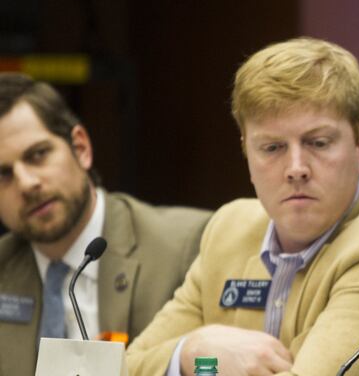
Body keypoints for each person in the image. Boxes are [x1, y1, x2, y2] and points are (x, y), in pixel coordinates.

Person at [125, 37, 359, 376]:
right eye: (272, 147)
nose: (296, 168)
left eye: (318, 143)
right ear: (246, 152)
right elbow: (124, 367)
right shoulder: (228, 229)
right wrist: (192, 351)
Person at [0, 74, 212, 376]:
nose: (27, 183)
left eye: (38, 155)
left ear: (81, 147)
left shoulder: (188, 246)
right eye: (3, 174)